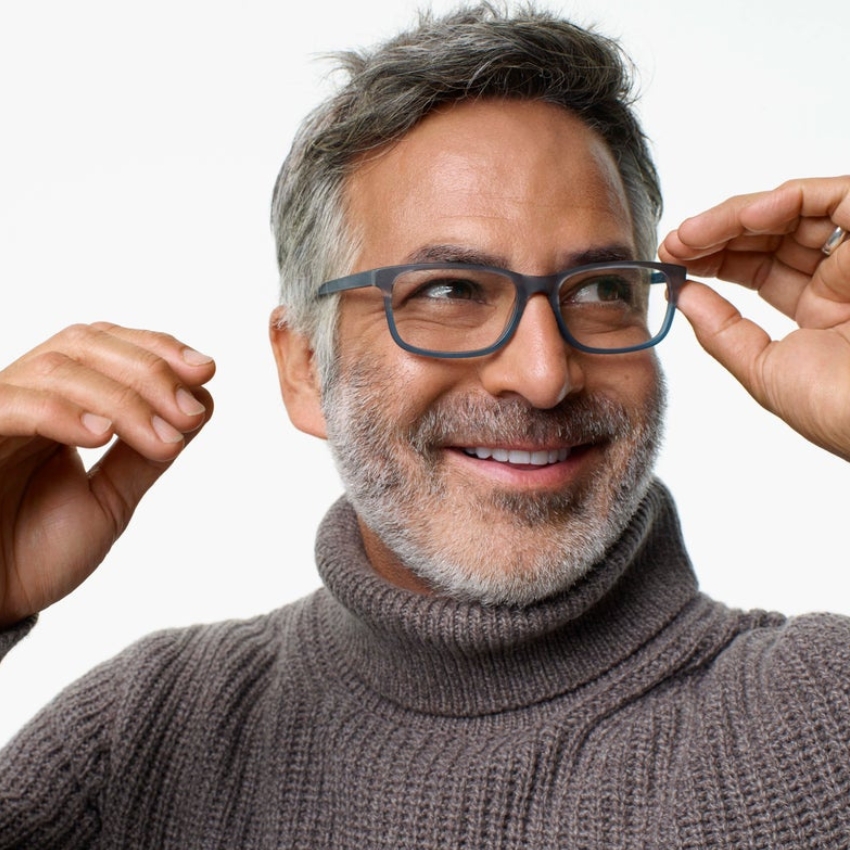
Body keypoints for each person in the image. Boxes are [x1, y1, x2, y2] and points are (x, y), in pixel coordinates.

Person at [1, 2, 849, 846]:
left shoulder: (822, 726)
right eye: (448, 291)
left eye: (598, 290)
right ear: (304, 366)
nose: (544, 374)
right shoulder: (138, 739)